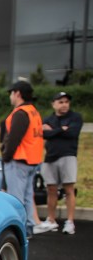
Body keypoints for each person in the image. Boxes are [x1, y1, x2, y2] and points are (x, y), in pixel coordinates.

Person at [34, 91, 83, 235]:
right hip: (50, 157)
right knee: (51, 189)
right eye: (61, 102)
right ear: (53, 104)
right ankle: (51, 220)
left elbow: (72, 133)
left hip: (68, 156)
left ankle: (70, 222)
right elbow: (43, 134)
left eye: (66, 102)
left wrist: (53, 131)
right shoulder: (48, 119)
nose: (64, 105)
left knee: (69, 189)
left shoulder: (75, 117)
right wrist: (61, 130)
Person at [0, 81, 44, 234]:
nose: (10, 96)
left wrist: (6, 156)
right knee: (27, 197)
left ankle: (19, 231)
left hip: (19, 160)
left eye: (11, 93)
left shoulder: (20, 113)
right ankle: (28, 228)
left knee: (16, 199)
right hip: (32, 160)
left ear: (17, 93)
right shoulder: (33, 111)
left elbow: (13, 139)